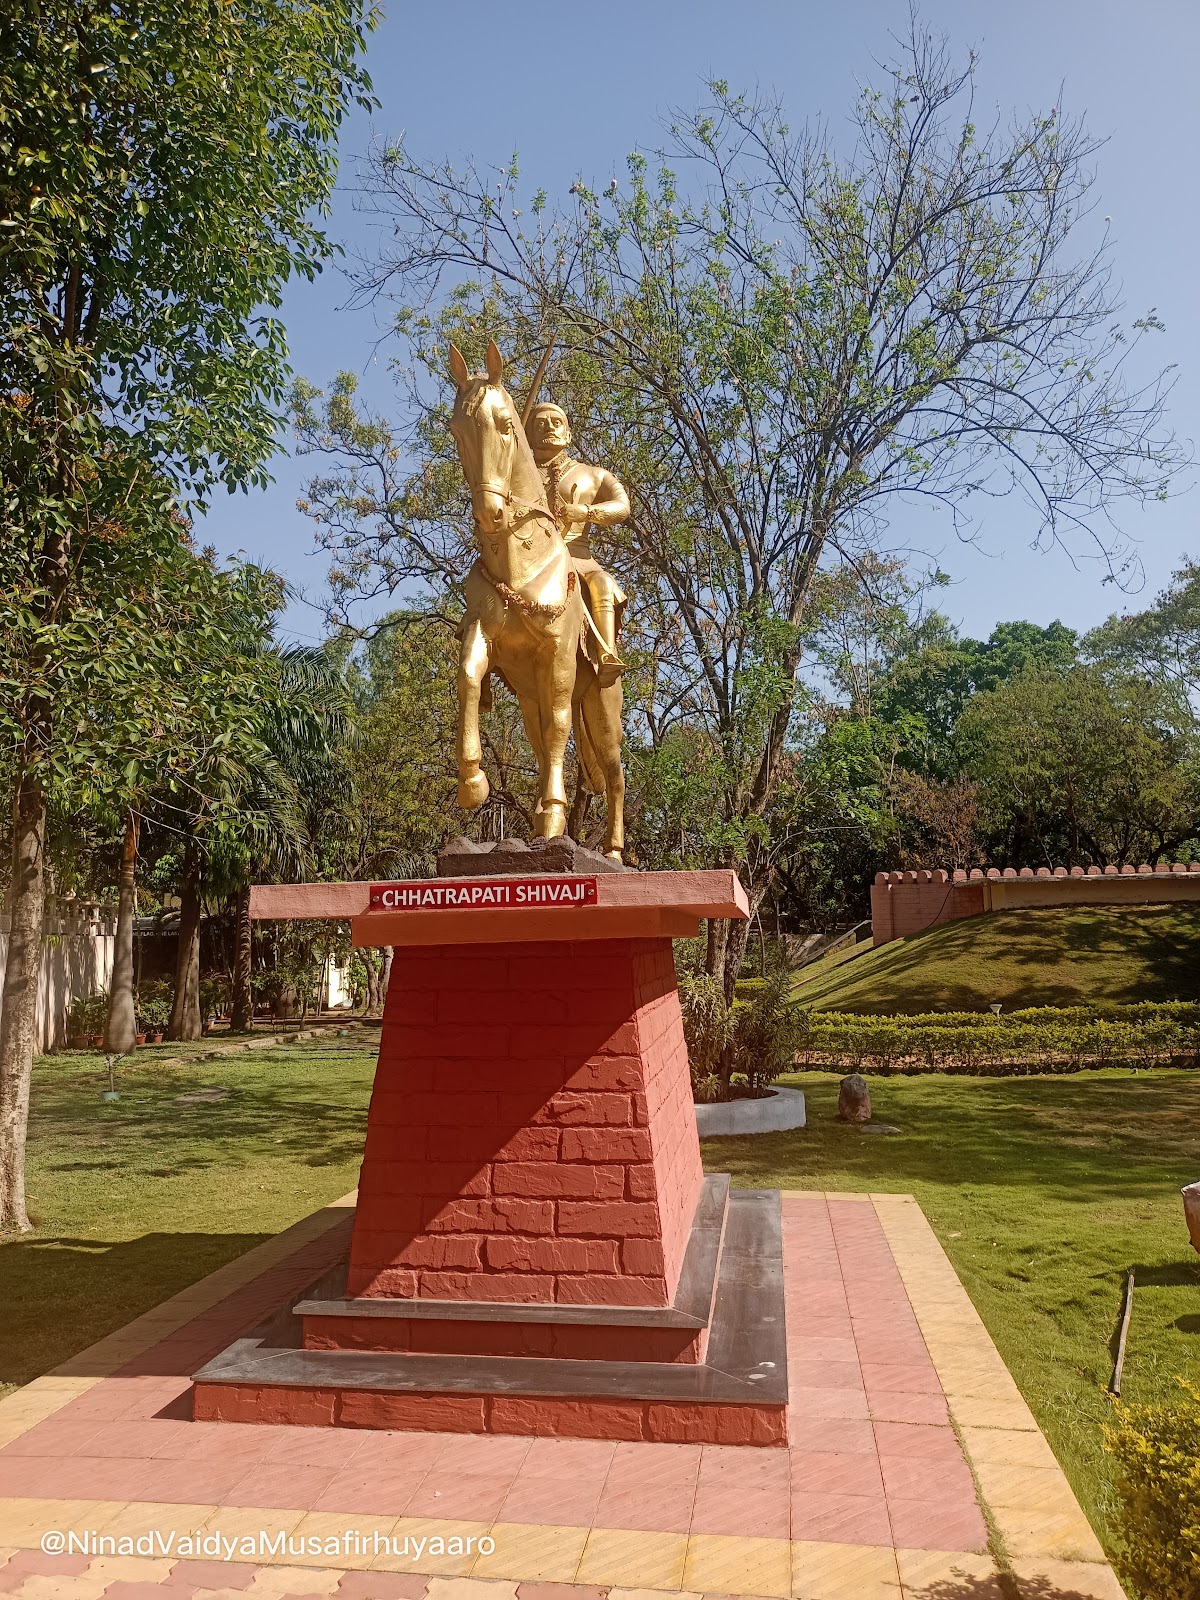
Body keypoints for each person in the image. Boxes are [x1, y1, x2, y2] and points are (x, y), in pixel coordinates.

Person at [527, 401, 629, 685]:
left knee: (602, 583)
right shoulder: (517, 475)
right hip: (529, 561)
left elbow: (622, 506)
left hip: (576, 558)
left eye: (556, 422)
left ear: (569, 434)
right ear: (529, 435)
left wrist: (586, 512)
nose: (548, 427)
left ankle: (606, 652)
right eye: (540, 423)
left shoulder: (594, 475)